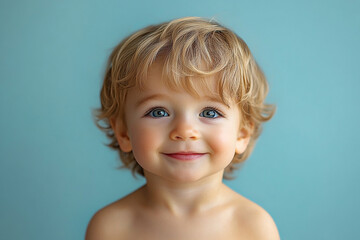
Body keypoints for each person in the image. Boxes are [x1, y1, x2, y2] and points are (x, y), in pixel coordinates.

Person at [86, 17, 280, 240]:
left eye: (209, 113)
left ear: (242, 134)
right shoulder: (111, 228)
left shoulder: (254, 227)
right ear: (123, 133)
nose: (185, 130)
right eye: (158, 112)